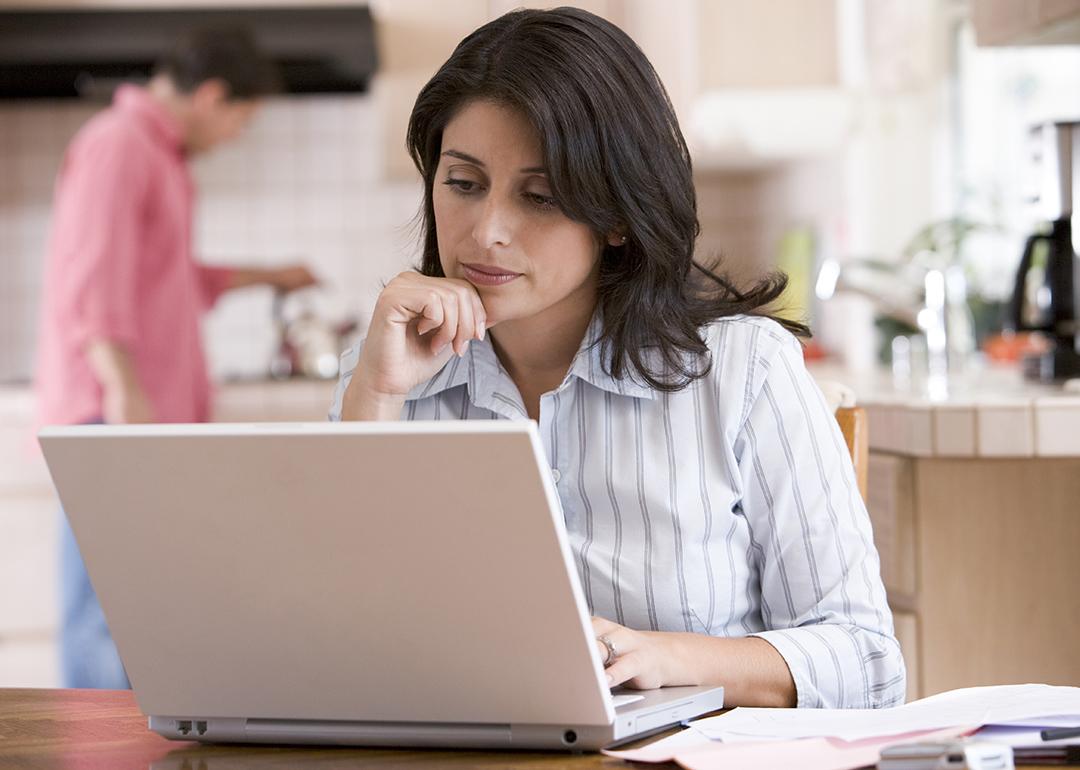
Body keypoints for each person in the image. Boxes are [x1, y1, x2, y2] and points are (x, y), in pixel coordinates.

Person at [330, 7, 905, 709]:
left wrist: (673, 658)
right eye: (463, 183)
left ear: (617, 217)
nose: (487, 232)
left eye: (539, 196)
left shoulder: (744, 372)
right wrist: (376, 396)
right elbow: (334, 645)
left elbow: (868, 661)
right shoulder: (389, 370)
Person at [36, 27, 317, 689]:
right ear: (214, 96)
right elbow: (94, 279)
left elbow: (168, 281)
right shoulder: (118, 146)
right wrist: (122, 391)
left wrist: (269, 275)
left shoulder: (156, 157)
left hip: (135, 413)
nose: (235, 136)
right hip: (113, 415)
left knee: (136, 610)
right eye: (240, 120)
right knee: (102, 612)